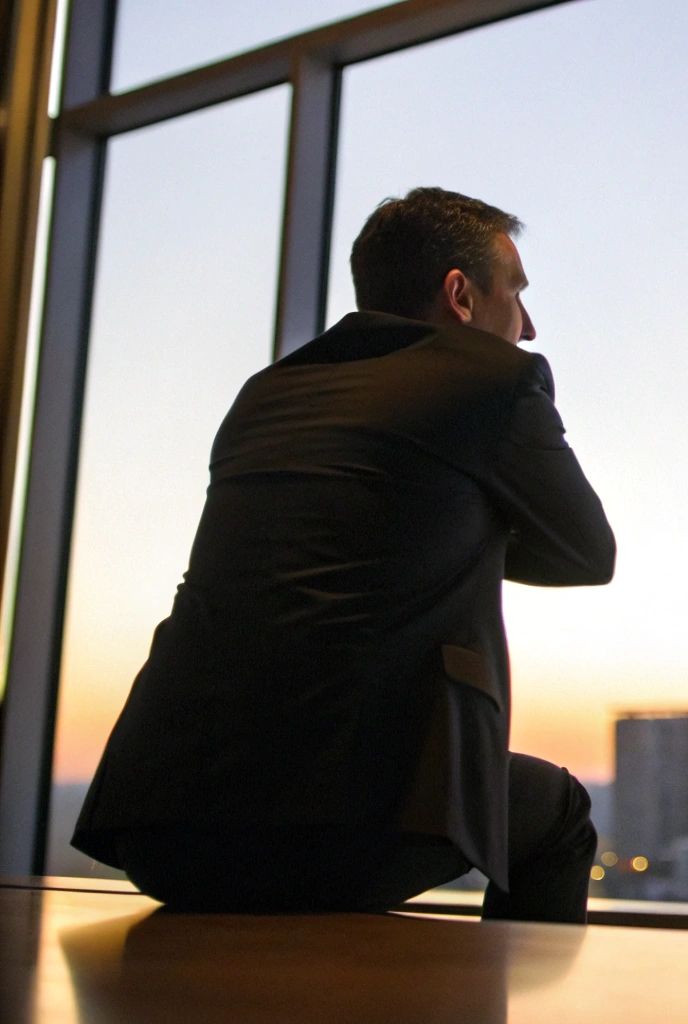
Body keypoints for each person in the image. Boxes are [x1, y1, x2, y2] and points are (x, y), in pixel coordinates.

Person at [69, 187, 615, 924]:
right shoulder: (493, 382)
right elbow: (587, 551)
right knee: (559, 816)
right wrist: (471, 518)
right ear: (459, 294)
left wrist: (434, 517)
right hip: (338, 832)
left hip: (160, 819)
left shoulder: (267, 393)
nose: (527, 325)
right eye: (515, 293)